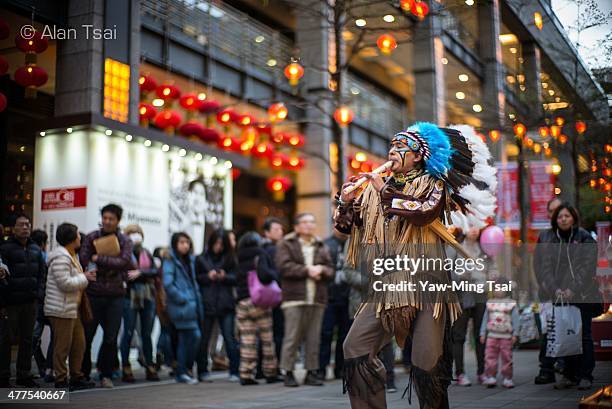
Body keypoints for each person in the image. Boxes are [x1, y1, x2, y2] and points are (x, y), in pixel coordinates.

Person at [336, 123, 497, 409]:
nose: (393, 152)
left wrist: (384, 190)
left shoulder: (433, 184)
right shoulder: (375, 188)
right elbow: (346, 227)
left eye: (401, 148)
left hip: (427, 285)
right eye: (392, 147)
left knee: (426, 365)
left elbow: (422, 212)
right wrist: (346, 202)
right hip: (389, 285)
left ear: (418, 156)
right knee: (355, 347)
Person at [535, 202, 599, 391]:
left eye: (567, 216)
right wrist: (554, 289)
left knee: (584, 336)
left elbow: (587, 268)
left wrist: (573, 289)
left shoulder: (585, 238)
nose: (563, 219)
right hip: (559, 296)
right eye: (560, 216)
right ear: (555, 219)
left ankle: (585, 375)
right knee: (564, 334)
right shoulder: (550, 239)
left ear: (573, 218)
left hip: (582, 296)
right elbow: (544, 268)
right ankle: (569, 375)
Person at [276, 213, 334, 387]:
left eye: (312, 222)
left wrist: (322, 270)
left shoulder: (321, 244)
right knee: (292, 337)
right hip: (294, 298)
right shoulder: (286, 244)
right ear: (297, 226)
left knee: (314, 338)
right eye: (305, 222)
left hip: (317, 298)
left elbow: (331, 269)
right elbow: (283, 267)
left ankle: (311, 372)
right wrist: (307, 270)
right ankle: (288, 372)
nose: (309, 225)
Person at [79, 204, 133, 388]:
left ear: (118, 221)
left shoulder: (125, 240)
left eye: (111, 218)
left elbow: (124, 262)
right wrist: (106, 262)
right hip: (93, 294)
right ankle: (83, 374)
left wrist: (99, 258)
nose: (107, 221)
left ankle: (106, 374)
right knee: (87, 336)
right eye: (105, 218)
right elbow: (84, 260)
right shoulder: (91, 237)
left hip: (116, 296)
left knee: (111, 337)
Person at [45, 223, 96, 390]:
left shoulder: (72, 254)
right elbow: (65, 283)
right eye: (77, 235)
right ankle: (60, 379)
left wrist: (83, 277)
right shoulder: (61, 257)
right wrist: (85, 277)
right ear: (71, 238)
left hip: (72, 309)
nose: (80, 237)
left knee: (78, 344)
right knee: (63, 346)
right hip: (61, 309)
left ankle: (76, 376)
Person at [0, 214, 46, 388]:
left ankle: (24, 375)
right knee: (6, 340)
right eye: (22, 225)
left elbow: (42, 274)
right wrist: (3, 303)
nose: (26, 227)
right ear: (14, 228)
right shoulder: (5, 248)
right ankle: (3, 376)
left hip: (30, 302)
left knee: (27, 340)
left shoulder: (36, 249)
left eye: (28, 224)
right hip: (11, 302)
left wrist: (38, 294)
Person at [235, 231, 280, 385]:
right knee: (267, 339)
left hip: (242, 302)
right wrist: (275, 274)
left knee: (247, 340)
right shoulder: (260, 254)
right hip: (258, 301)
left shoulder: (238, 256)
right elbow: (265, 275)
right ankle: (270, 372)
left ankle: (245, 374)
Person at [196, 229, 240, 382]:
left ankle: (235, 371)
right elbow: (197, 278)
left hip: (226, 303)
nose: (218, 247)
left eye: (222, 244)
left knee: (229, 337)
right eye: (216, 243)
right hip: (207, 302)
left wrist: (224, 276)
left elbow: (236, 277)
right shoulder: (201, 258)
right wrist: (208, 277)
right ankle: (202, 370)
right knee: (204, 339)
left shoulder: (230, 258)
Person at [120, 224, 160, 382]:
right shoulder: (124, 252)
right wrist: (142, 274)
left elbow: (155, 271)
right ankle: (125, 366)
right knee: (128, 332)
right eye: (132, 233)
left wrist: (140, 273)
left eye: (138, 232)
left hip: (148, 296)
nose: (136, 235)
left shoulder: (146, 252)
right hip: (129, 295)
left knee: (147, 333)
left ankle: (150, 365)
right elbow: (125, 274)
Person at [451, 226, 490, 386]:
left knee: (480, 334)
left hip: (480, 294)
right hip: (463, 295)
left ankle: (482, 371)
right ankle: (460, 373)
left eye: (477, 226)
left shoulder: (484, 246)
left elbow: (491, 268)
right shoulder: (456, 246)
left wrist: (491, 275)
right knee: (459, 335)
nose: (475, 230)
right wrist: (461, 276)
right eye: (471, 226)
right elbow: (449, 271)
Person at [163, 232, 203, 384]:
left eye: (187, 242)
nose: (185, 245)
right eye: (181, 242)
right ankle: (182, 372)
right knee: (189, 338)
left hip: (192, 306)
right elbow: (168, 283)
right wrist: (182, 298)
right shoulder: (170, 260)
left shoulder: (189, 260)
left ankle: (185, 370)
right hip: (182, 306)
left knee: (192, 338)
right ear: (175, 244)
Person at [532, 197, 563, 385]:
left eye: (560, 210)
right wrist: (543, 283)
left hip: (569, 293)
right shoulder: (544, 236)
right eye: (552, 211)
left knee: (568, 329)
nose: (557, 215)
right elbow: (537, 264)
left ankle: (568, 367)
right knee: (547, 331)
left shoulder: (575, 235)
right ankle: (546, 369)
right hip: (547, 293)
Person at [318, 229, 350, 381]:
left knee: (345, 335)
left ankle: (340, 369)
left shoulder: (352, 242)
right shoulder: (326, 244)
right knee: (326, 333)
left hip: (348, 297)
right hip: (329, 297)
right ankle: (321, 369)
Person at [479, 284, 519, 388]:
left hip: (506, 336)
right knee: (490, 356)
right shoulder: (490, 303)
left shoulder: (511, 303)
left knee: (507, 357)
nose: (499, 290)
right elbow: (485, 319)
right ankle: (491, 376)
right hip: (491, 335)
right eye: (496, 288)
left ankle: (507, 378)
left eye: (501, 288)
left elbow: (516, 320)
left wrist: (515, 334)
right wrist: (483, 333)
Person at [30, 229, 54, 382]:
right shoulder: (45, 257)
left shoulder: (32, 254)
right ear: (44, 243)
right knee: (53, 336)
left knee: (33, 337)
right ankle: (46, 367)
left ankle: (42, 366)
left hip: (36, 302)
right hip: (47, 302)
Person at [261, 217, 285, 372]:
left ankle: (267, 367)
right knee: (275, 332)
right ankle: (272, 367)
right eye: (275, 229)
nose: (280, 232)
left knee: (271, 333)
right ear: (267, 232)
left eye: (280, 229)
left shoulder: (277, 247)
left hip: (269, 295)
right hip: (272, 295)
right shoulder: (269, 249)